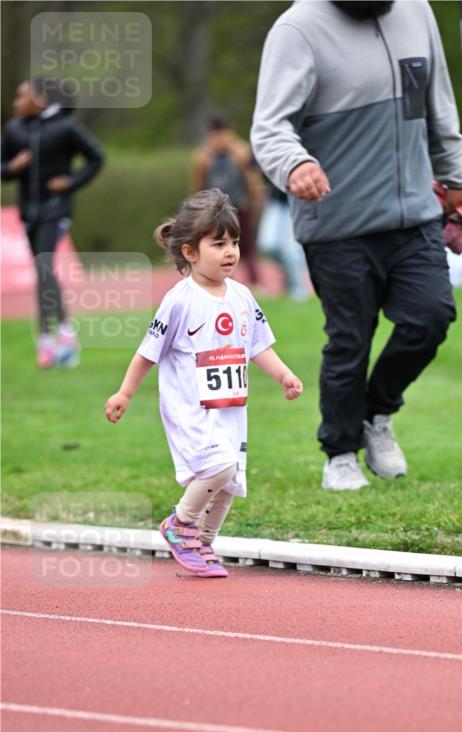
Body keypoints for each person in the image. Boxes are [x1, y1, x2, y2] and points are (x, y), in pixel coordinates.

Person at [251, 0, 462, 490]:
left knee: (431, 317)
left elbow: (439, 109)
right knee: (350, 341)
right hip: (338, 224)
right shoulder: (297, 29)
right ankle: (339, 452)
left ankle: (375, 414)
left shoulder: (416, 11)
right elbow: (270, 128)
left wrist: (459, 184)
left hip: (416, 215)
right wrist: (295, 164)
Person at [105, 189, 303, 578]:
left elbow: (257, 345)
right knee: (219, 466)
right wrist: (125, 392)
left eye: (234, 242)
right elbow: (148, 352)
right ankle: (180, 525)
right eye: (218, 244)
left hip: (231, 406)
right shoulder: (179, 300)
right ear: (191, 252)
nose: (230, 251)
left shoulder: (244, 296)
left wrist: (283, 374)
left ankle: (204, 543)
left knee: (231, 478)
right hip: (189, 407)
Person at [1, 77, 104, 368]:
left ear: (41, 99)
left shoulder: (66, 127)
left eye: (22, 96)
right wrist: (11, 167)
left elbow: (97, 157)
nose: (16, 102)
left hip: (56, 209)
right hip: (29, 211)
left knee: (44, 265)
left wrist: (71, 181)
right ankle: (59, 337)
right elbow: (1, 167)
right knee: (44, 270)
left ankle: (54, 338)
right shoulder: (14, 130)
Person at [192, 115, 264, 287]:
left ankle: (255, 281)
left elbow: (251, 178)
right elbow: (199, 184)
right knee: (219, 244)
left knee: (246, 244)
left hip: (240, 205)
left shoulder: (240, 151)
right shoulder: (203, 156)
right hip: (215, 210)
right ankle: (226, 280)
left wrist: (254, 200)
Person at [257, 178, 310, 300]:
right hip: (275, 201)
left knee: (291, 251)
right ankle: (288, 276)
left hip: (295, 202)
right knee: (267, 246)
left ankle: (299, 288)